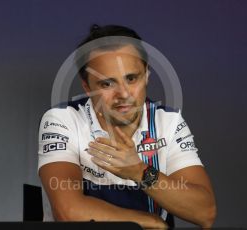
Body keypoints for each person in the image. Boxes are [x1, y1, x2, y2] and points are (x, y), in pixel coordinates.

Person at [38, 24, 216, 229]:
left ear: (147, 74)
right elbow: (68, 212)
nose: (123, 94)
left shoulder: (168, 122)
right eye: (107, 84)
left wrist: (140, 172)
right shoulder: (62, 119)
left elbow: (205, 213)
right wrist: (150, 222)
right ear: (87, 87)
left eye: (131, 79)